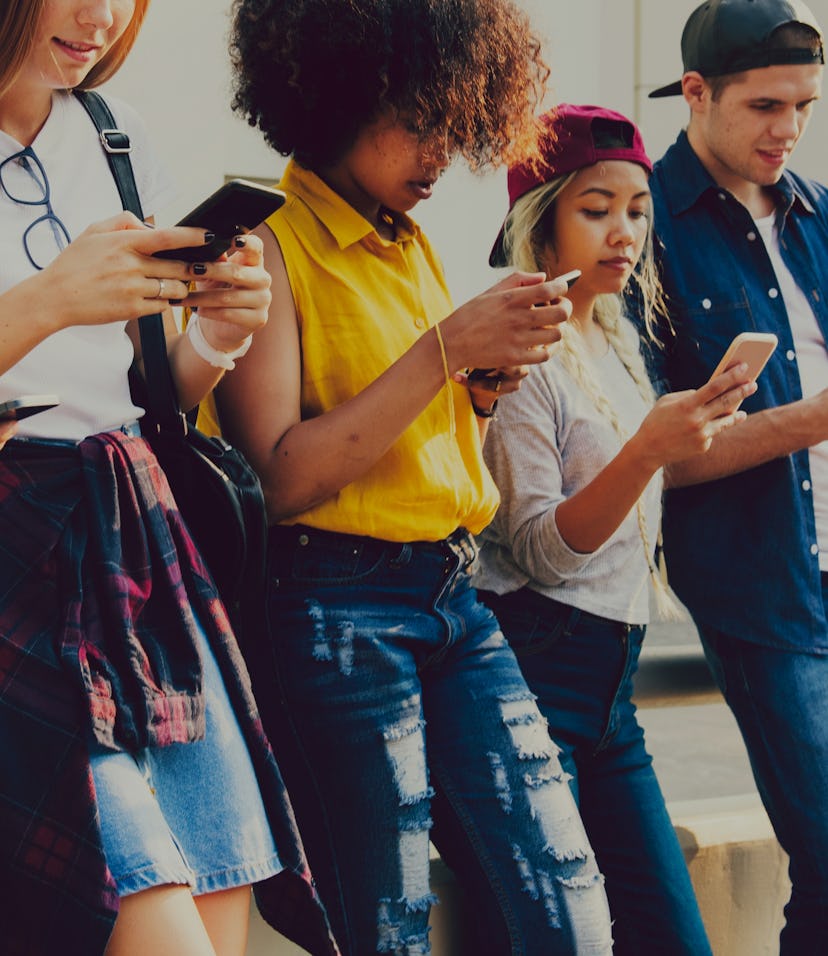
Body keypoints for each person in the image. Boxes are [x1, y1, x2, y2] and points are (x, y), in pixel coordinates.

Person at [213, 1, 618, 953]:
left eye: (460, 121)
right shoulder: (264, 248)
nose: (444, 153)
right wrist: (447, 349)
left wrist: (478, 389)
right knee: (385, 926)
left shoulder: (411, 239)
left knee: (568, 902)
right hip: (331, 607)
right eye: (422, 118)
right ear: (335, 96)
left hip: (454, 593)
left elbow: (430, 453)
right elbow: (276, 477)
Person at [0, 3, 337, 956]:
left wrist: (214, 341)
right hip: (16, 560)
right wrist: (49, 298)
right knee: (146, 913)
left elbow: (146, 396)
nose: (99, 17)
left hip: (134, 550)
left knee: (217, 901)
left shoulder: (115, 136)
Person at [471, 103, 754, 955]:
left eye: (636, 210)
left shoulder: (614, 333)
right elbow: (542, 551)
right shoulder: (518, 343)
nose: (623, 232)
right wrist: (648, 449)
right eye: (596, 210)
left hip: (613, 694)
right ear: (540, 214)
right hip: (533, 673)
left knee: (674, 938)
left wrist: (689, 431)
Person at [644, 0, 828, 951]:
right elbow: (639, 459)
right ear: (696, 92)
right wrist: (810, 421)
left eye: (803, 104)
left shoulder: (816, 212)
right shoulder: (643, 229)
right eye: (763, 106)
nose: (788, 130)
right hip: (762, 585)